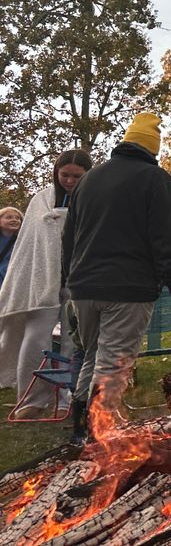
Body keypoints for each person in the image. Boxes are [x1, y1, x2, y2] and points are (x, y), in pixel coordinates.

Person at [62, 114, 171, 442]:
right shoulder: (156, 179)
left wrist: (70, 279)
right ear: (152, 149)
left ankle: (80, 427)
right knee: (113, 364)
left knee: (93, 355)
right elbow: (164, 237)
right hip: (128, 287)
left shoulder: (89, 179)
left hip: (82, 286)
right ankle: (97, 437)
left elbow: (68, 237)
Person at [0, 151, 92, 419]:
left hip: (80, 281)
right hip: (42, 284)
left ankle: (68, 398)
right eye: (65, 175)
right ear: (56, 173)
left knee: (73, 342)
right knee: (35, 339)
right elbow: (29, 244)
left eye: (77, 176)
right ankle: (31, 399)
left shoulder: (94, 199)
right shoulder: (40, 200)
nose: (70, 181)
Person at [0, 207, 24, 291]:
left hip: (15, 282)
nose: (14, 220)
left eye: (17, 218)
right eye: (9, 217)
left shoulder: (24, 240)